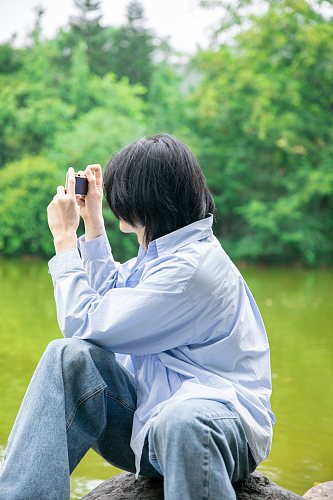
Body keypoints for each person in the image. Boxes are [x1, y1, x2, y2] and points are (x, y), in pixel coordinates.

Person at [0, 134, 275, 500]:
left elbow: (86, 322)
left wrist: (65, 240)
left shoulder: (190, 271)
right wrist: (93, 225)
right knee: (68, 357)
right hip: (150, 420)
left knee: (183, 421)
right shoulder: (166, 254)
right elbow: (112, 297)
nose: (114, 202)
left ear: (144, 201)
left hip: (217, 425)